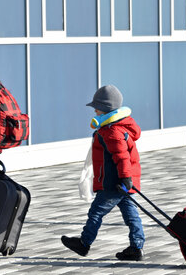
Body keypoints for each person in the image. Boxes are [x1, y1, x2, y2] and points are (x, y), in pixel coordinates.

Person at [61, 85, 145, 261]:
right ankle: (136, 247)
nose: (95, 112)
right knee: (131, 215)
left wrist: (125, 178)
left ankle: (84, 243)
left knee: (96, 213)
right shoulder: (118, 127)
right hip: (123, 184)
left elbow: (122, 158)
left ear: (106, 109)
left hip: (114, 184)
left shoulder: (112, 131)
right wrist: (127, 180)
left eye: (97, 108)